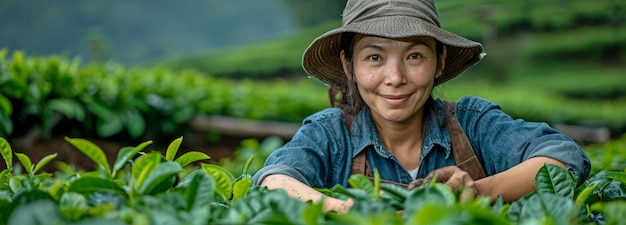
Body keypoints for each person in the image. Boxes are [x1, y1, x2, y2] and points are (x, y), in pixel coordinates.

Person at [251, 0, 591, 213]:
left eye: (414, 56)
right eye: (374, 57)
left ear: (440, 61)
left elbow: (563, 157)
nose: (395, 77)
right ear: (348, 65)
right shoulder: (330, 135)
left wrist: (479, 191)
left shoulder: (473, 124)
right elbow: (275, 180)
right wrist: (351, 210)